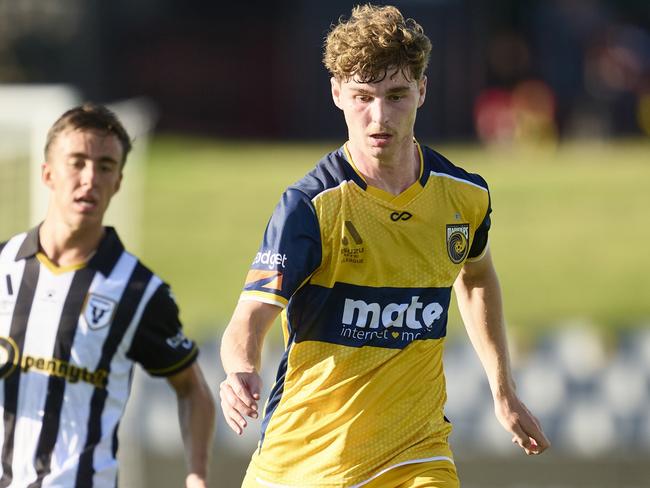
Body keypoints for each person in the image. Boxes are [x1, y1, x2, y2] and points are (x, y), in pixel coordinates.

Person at [220, 4, 549, 487]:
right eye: (363, 97)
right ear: (336, 93)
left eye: (396, 96)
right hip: (307, 462)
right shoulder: (311, 206)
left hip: (416, 455)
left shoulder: (465, 196)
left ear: (422, 90)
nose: (380, 116)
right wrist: (241, 370)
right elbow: (248, 317)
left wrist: (504, 392)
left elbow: (475, 279)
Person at [0, 104, 215, 487]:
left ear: (118, 182)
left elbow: (193, 390)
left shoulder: (138, 291)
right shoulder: (2, 266)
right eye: (77, 162)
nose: (90, 179)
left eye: (104, 166)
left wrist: (196, 474)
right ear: (47, 173)